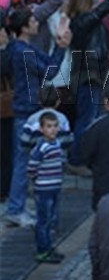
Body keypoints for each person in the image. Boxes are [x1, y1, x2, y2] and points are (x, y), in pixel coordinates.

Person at [28, 111, 66, 263]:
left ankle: (48, 246)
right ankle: (42, 250)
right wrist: (36, 179)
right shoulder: (41, 148)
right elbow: (32, 167)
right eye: (49, 126)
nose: (53, 129)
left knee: (51, 219)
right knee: (43, 219)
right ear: (42, 129)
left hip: (54, 187)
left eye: (55, 126)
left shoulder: (57, 144)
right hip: (43, 189)